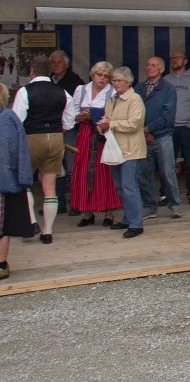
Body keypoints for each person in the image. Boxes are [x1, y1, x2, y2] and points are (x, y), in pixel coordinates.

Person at [12, 55, 75, 243]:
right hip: (56, 139)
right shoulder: (63, 92)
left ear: (32, 71)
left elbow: (17, 121)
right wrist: (57, 129)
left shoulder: (25, 91)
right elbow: (69, 121)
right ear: (50, 71)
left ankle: (31, 221)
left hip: (31, 138)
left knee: (25, 183)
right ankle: (47, 232)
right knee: (50, 187)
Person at [97, 67, 147, 238]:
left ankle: (136, 223)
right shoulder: (111, 100)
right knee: (120, 187)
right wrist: (101, 127)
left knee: (129, 186)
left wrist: (110, 124)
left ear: (128, 82)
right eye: (114, 80)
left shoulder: (135, 99)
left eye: (119, 80)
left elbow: (134, 124)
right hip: (115, 149)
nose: (115, 83)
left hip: (131, 150)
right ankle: (127, 218)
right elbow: (105, 121)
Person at [68, 62, 121, 226]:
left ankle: (108, 213)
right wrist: (81, 116)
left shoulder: (112, 92)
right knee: (83, 170)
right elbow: (72, 114)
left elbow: (115, 115)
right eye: (100, 75)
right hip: (85, 133)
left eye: (106, 76)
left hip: (102, 135)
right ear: (93, 75)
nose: (102, 79)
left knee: (104, 171)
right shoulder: (81, 90)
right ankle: (87, 212)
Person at [134, 56, 182, 220]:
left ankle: (175, 204)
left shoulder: (168, 89)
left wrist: (148, 129)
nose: (149, 68)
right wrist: (144, 131)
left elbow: (167, 116)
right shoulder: (139, 88)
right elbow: (134, 112)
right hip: (142, 137)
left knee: (167, 171)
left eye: (153, 65)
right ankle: (149, 207)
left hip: (162, 136)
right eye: (148, 65)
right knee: (143, 173)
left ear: (161, 69)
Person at [1, 83, 34, 280]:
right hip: (6, 179)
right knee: (3, 226)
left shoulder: (9, 118)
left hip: (5, 178)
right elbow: (22, 150)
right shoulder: (10, 118)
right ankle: (1, 264)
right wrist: (24, 178)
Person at [165, 49, 190, 206]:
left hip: (187, 127)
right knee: (168, 162)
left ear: (185, 61)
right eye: (172, 58)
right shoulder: (166, 80)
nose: (174, 60)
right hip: (169, 127)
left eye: (177, 58)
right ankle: (166, 193)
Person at [50, 50, 83, 216]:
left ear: (66, 64)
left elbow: (80, 107)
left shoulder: (75, 81)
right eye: (53, 63)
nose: (56, 66)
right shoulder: (48, 81)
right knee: (55, 169)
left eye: (59, 62)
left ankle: (77, 203)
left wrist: (67, 123)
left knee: (72, 168)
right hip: (53, 131)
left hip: (69, 130)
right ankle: (59, 203)